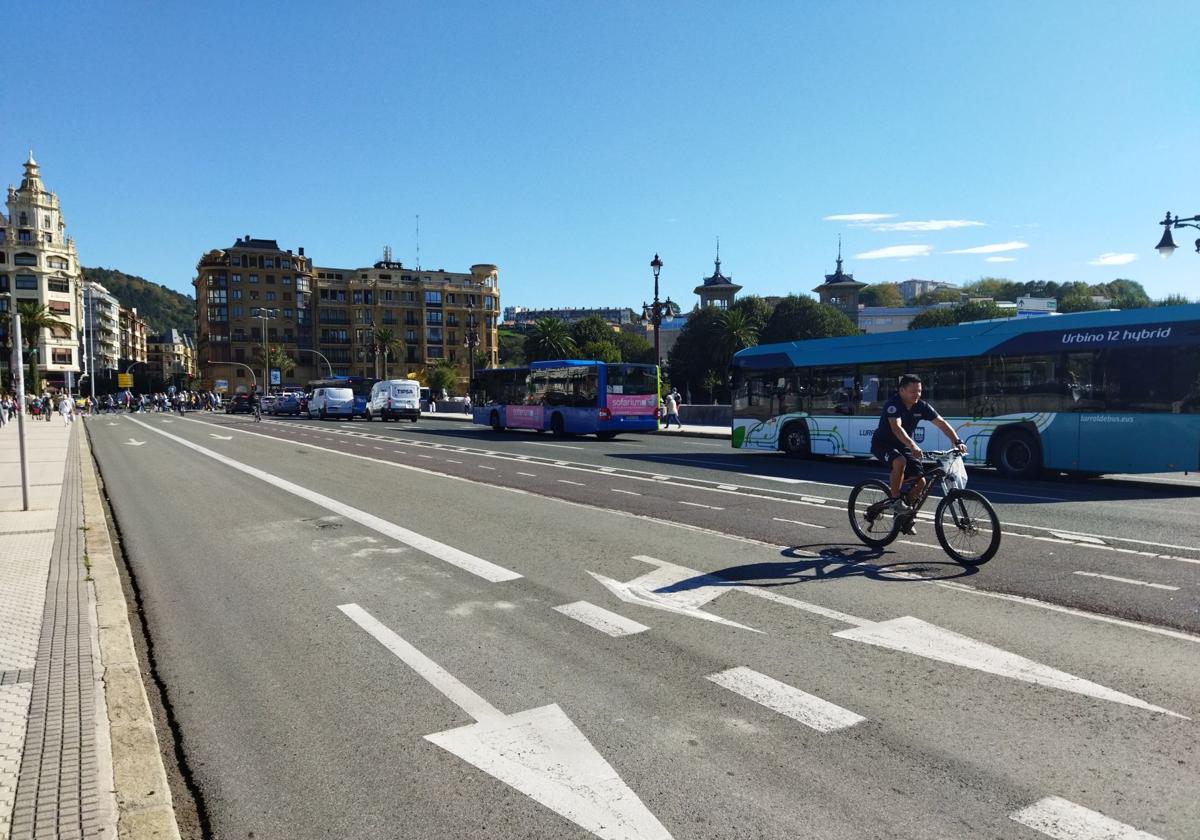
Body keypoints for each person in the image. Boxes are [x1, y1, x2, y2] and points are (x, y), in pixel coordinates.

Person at [870, 374, 966, 534]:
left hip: (903, 445)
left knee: (921, 483)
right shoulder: (893, 405)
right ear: (901, 390)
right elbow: (896, 428)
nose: (917, 395)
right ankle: (895, 501)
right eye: (913, 391)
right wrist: (913, 445)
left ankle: (904, 516)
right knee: (899, 461)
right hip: (883, 444)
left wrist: (957, 441)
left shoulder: (921, 406)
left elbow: (941, 423)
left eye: (920, 391)